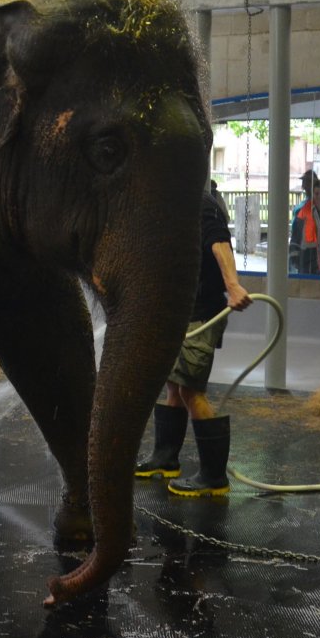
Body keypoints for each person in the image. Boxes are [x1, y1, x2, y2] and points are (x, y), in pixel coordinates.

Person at [134, 184, 253, 493]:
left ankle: (214, 478)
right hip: (179, 314)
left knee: (190, 391)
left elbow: (219, 244)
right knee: (174, 385)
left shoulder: (203, 205)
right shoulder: (172, 202)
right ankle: (165, 458)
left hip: (201, 314)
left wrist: (233, 285)